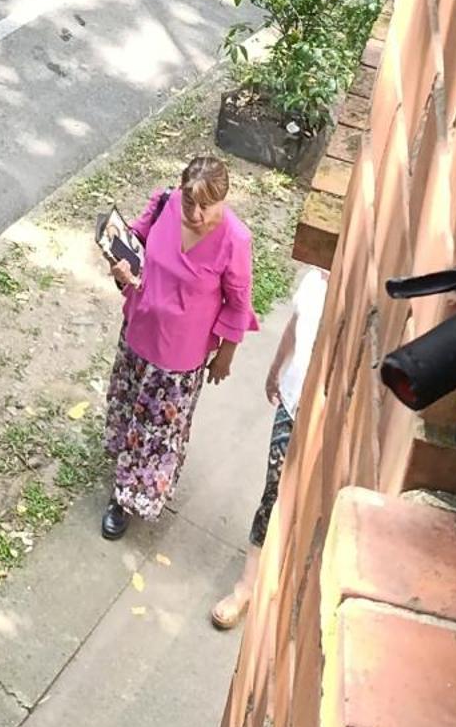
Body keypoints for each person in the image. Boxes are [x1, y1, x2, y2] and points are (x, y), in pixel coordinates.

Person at [100, 155, 259, 540]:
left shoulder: (235, 241)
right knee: (129, 410)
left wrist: (226, 354)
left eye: (207, 205)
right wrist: (118, 266)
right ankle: (123, 471)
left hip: (179, 356)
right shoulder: (165, 204)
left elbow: (238, 303)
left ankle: (127, 499)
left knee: (156, 431)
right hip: (139, 331)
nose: (196, 212)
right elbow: (134, 242)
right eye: (190, 201)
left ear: (223, 200)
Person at [212, 267, 329, 628]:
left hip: (325, 418)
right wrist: (276, 368)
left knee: (314, 502)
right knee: (273, 490)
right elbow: (296, 325)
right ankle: (247, 585)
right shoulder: (313, 280)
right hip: (292, 404)